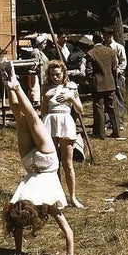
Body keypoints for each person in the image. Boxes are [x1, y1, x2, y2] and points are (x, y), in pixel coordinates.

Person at [0, 58, 74, 255]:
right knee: (27, 118)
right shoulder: (48, 205)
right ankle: (13, 85)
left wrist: (18, 251)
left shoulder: (25, 205)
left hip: (36, 163)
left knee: (24, 118)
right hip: (41, 162)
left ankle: (11, 86)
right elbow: (67, 230)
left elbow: (17, 227)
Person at [41, 60, 85, 209]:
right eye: (53, 75)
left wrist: (71, 98)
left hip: (65, 121)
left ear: (64, 73)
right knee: (53, 162)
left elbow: (80, 110)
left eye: (58, 74)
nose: (55, 78)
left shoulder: (71, 87)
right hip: (50, 121)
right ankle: (57, 196)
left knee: (68, 163)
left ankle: (72, 197)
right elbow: (43, 111)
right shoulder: (46, 87)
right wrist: (46, 98)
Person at [86, 31, 120, 139]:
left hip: (98, 85)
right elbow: (115, 69)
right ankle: (117, 132)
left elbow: (88, 71)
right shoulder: (111, 51)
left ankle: (100, 134)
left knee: (99, 109)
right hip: (110, 84)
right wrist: (114, 81)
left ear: (93, 40)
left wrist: (91, 82)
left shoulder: (91, 53)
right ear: (102, 39)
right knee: (113, 109)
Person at [103, 28, 127, 130]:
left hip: (117, 76)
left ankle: (119, 121)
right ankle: (107, 121)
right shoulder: (103, 47)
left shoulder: (118, 47)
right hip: (106, 75)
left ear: (111, 35)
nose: (105, 37)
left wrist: (118, 70)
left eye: (106, 35)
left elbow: (123, 62)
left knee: (119, 98)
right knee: (106, 98)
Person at [28, 33, 50, 105]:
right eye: (44, 43)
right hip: (37, 75)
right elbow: (34, 65)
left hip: (43, 74)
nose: (45, 45)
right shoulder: (36, 52)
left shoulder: (41, 52)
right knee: (36, 95)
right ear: (40, 43)